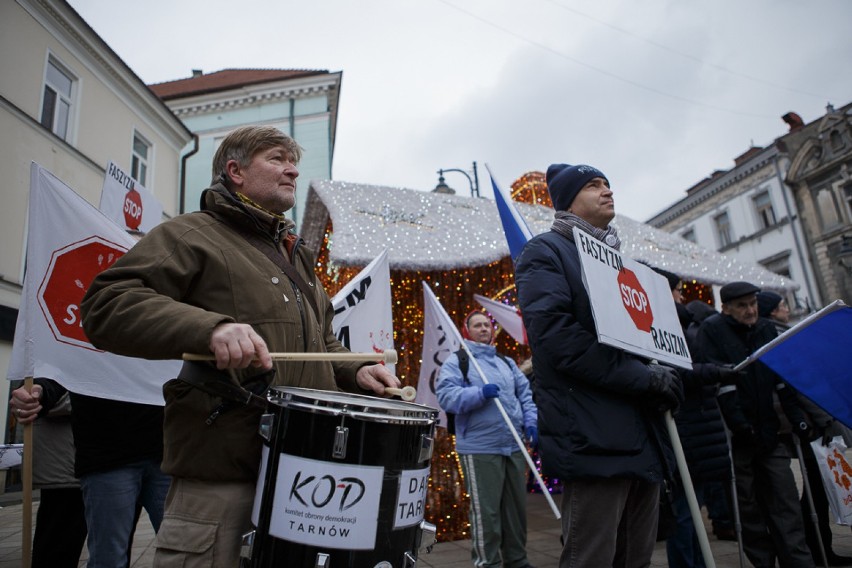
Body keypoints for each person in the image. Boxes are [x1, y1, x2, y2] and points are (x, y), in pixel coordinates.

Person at [80, 125, 400, 567]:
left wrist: (355, 370)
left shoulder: (296, 255)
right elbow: (105, 304)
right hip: (223, 475)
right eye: (276, 159)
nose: (292, 171)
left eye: (294, 162)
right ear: (235, 170)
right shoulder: (191, 233)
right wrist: (209, 328)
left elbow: (323, 340)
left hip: (302, 475)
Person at [514, 163, 683, 566]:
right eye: (593, 185)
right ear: (568, 200)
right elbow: (557, 339)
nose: (607, 191)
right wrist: (643, 378)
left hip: (640, 434)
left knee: (635, 557)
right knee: (591, 557)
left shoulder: (619, 264)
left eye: (608, 184)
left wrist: (662, 371)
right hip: (593, 436)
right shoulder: (547, 251)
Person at [697, 281, 816, 567]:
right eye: (742, 306)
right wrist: (740, 425)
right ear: (725, 308)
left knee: (785, 501)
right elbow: (716, 382)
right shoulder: (711, 330)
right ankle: (763, 562)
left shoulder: (764, 328)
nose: (750, 310)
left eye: (752, 303)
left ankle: (798, 562)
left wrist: (797, 417)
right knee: (748, 510)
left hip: (769, 431)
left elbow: (781, 376)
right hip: (738, 438)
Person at [649, 268, 737, 567]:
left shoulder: (687, 326)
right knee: (685, 514)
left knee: (692, 510)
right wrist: (713, 371)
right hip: (686, 429)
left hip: (697, 429)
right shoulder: (662, 326)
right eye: (676, 290)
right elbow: (680, 371)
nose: (681, 296)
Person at [436, 310, 538, 568]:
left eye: (487, 325)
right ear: (467, 330)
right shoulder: (458, 361)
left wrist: (531, 421)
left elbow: (524, 394)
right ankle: (487, 563)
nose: (484, 328)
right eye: (477, 325)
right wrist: (478, 393)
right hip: (480, 448)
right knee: (487, 513)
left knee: (516, 511)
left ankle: (517, 560)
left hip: (513, 444)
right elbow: (447, 396)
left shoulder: (506, 363)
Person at [758, 292, 852, 565]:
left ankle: (821, 547)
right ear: (773, 312)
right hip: (812, 428)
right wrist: (819, 422)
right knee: (815, 492)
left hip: (815, 424)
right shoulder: (778, 337)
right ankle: (817, 547)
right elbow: (800, 385)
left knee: (819, 489)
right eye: (782, 305)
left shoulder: (783, 332)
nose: (787, 308)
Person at [70, 392, 170, 568]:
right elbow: (55, 371)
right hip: (107, 455)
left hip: (165, 452)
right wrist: (41, 390)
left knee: (182, 549)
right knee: (109, 557)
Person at [9, 380, 87, 568]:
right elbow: (37, 396)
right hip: (66, 470)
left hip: (98, 465)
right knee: (58, 546)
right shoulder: (48, 369)